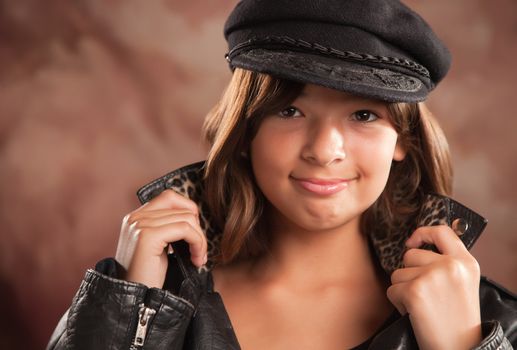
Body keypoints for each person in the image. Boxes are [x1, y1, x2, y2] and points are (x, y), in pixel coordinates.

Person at [47, 0, 517, 349]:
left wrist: (464, 345)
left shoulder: (482, 317)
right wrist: (130, 308)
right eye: (289, 110)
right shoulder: (146, 289)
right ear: (246, 131)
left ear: (403, 142)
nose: (324, 151)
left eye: (364, 115)